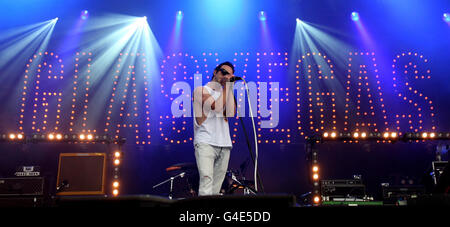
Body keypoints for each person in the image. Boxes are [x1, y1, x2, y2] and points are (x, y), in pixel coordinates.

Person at [192, 61, 236, 196]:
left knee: (216, 190)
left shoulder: (226, 93)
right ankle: (203, 216)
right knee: (206, 184)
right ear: (215, 72)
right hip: (206, 141)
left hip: (224, 143)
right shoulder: (201, 90)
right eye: (224, 72)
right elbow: (215, 106)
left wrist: (229, 88)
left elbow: (231, 113)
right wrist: (227, 87)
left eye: (230, 75)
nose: (226, 76)